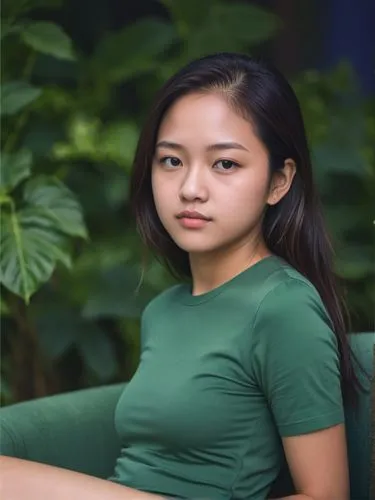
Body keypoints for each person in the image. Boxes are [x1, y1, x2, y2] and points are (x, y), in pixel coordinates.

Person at [0, 52, 359, 500]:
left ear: (278, 181)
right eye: (171, 161)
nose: (190, 188)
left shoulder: (284, 307)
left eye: (224, 164)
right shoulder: (162, 311)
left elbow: (326, 495)